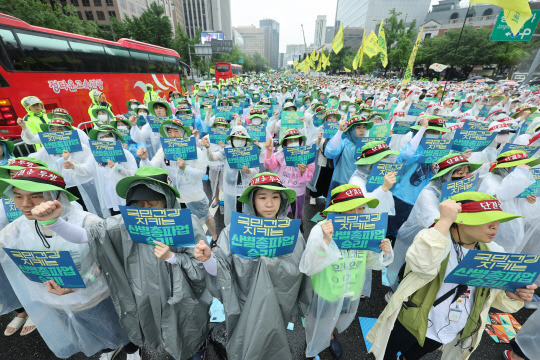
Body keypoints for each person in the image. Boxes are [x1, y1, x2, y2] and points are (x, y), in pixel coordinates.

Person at [32, 166, 211, 360]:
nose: (145, 209)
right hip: (145, 293)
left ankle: (196, 351)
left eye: (152, 202)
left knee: (188, 328)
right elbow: (87, 236)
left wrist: (173, 258)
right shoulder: (123, 225)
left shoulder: (187, 224)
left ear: (167, 200)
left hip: (183, 294)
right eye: (138, 203)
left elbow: (202, 267)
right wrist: (55, 223)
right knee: (157, 326)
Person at [367, 192, 537, 360]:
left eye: (497, 218)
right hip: (411, 320)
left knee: (414, 355)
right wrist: (445, 220)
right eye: (485, 219)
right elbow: (422, 266)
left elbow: (491, 295)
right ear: (460, 220)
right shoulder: (435, 239)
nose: (495, 225)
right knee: (385, 353)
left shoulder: (494, 251)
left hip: (449, 328)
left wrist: (511, 295)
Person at [0, 167, 130, 359]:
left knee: (118, 328)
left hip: (95, 297)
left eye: (36, 196)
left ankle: (132, 349)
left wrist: (83, 281)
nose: (25, 204)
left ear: (56, 196)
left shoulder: (87, 222)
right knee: (90, 334)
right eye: (18, 196)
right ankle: (108, 350)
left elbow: (108, 261)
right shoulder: (18, 228)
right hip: (55, 302)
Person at [193, 172, 311, 360]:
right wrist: (208, 259)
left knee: (272, 337)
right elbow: (222, 268)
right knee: (244, 339)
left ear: (282, 200)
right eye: (262, 197)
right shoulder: (236, 230)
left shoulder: (292, 232)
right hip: (243, 302)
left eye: (275, 197)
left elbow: (300, 271)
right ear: (252, 200)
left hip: (278, 301)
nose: (269, 203)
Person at [300, 184, 393, 359]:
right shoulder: (320, 230)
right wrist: (324, 243)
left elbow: (371, 263)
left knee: (340, 315)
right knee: (319, 316)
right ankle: (313, 340)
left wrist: (382, 251)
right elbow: (309, 266)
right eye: (351, 209)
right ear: (337, 211)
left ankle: (330, 334)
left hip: (352, 287)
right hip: (326, 288)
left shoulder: (367, 229)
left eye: (361, 208)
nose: (358, 214)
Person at [386, 154, 482, 295]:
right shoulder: (429, 193)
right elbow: (433, 220)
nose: (464, 177)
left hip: (441, 239)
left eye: (467, 173)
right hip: (417, 237)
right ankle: (395, 295)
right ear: (446, 175)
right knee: (409, 269)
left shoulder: (461, 193)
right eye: (460, 173)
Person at [137, 119, 219, 245]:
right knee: (179, 220)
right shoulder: (163, 151)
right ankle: (186, 242)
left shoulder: (195, 151)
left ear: (183, 133)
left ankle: (214, 236)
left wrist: (185, 168)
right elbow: (153, 167)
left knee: (206, 216)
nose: (173, 134)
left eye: (176, 131)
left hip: (193, 194)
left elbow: (201, 173)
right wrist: (144, 159)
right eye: (169, 131)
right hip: (174, 195)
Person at [200, 126, 259, 226]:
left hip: (245, 189)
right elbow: (213, 157)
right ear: (231, 140)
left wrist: (249, 170)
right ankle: (232, 231)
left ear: (246, 140)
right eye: (236, 138)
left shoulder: (250, 151)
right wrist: (208, 148)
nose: (239, 141)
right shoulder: (227, 151)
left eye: (241, 138)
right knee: (233, 213)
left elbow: (256, 171)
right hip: (231, 189)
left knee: (246, 213)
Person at [264, 129, 314, 223]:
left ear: (300, 142)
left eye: (295, 140)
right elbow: (270, 165)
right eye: (290, 141)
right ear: (285, 143)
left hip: (298, 192)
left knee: (297, 214)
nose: (293, 143)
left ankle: (298, 230)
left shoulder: (306, 155)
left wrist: (303, 172)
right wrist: (269, 151)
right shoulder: (280, 155)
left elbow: (310, 175)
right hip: (283, 190)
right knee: (280, 212)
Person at [324, 115, 373, 206]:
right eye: (358, 127)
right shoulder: (343, 143)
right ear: (351, 129)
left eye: (364, 127)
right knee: (339, 211)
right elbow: (330, 152)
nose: (362, 130)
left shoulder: (368, 145)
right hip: (341, 183)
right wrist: (339, 131)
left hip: (360, 185)